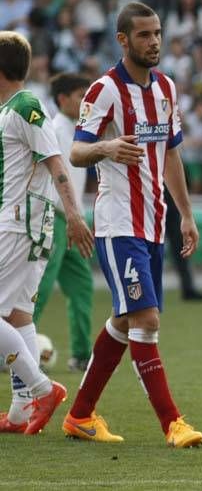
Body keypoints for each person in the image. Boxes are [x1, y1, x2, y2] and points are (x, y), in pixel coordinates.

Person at [64, 1, 202, 446]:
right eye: (144, 35)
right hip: (118, 222)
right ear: (123, 40)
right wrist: (105, 148)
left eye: (158, 32)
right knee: (145, 317)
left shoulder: (165, 87)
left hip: (154, 224)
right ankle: (173, 423)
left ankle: (80, 415)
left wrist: (185, 213)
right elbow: (76, 152)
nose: (155, 41)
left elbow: (172, 155)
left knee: (125, 322)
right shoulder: (104, 90)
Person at [0, 31, 93, 435]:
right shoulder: (9, 110)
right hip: (21, 221)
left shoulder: (26, 105)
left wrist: (73, 214)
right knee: (19, 316)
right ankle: (22, 410)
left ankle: (42, 388)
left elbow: (57, 164)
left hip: (22, 222)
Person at [32, 73, 94, 373]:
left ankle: (82, 354)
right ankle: (12, 350)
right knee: (39, 287)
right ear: (62, 99)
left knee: (82, 286)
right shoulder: (54, 131)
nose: (85, 102)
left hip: (73, 221)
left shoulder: (80, 132)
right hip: (54, 219)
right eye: (81, 95)